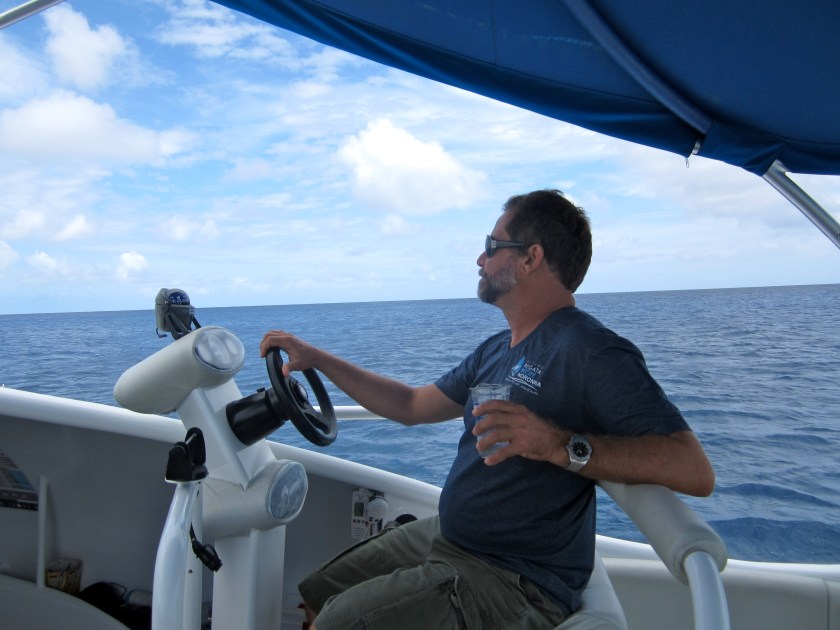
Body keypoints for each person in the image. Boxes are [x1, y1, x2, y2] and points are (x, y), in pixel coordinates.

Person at [260, 189, 715, 630]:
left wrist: (559, 445)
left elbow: (693, 468)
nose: (480, 260)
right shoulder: (498, 348)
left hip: (512, 579)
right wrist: (318, 359)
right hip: (452, 538)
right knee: (317, 592)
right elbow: (411, 404)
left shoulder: (591, 351)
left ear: (530, 258)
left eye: (492, 246)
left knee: (336, 622)